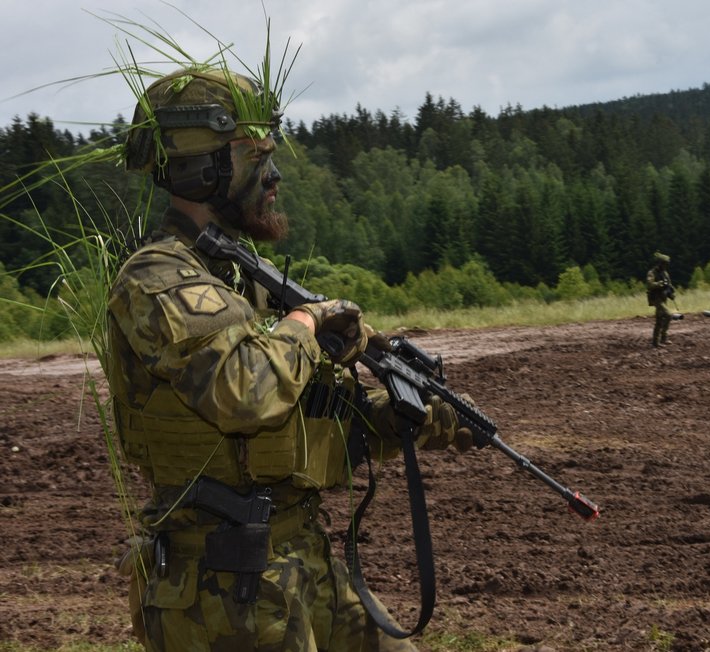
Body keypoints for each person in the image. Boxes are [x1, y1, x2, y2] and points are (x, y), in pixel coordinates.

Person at [107, 68, 471, 651]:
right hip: (220, 584)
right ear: (203, 167)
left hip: (296, 554)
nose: (273, 176)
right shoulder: (157, 280)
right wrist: (307, 322)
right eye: (256, 157)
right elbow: (247, 393)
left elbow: (303, 413)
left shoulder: (232, 276)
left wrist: (404, 416)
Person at [645, 252, 674, 348]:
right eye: (664, 264)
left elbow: (669, 285)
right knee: (668, 315)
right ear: (660, 263)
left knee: (659, 319)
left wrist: (671, 293)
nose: (666, 266)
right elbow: (650, 284)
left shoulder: (665, 273)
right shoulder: (652, 273)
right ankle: (662, 337)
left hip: (664, 297)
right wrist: (660, 283)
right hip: (656, 298)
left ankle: (656, 341)